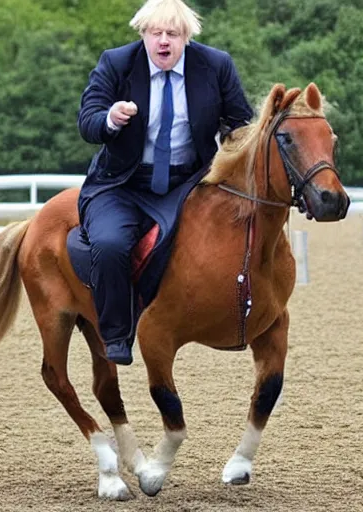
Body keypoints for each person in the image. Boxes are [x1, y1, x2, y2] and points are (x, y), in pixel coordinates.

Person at [77, 0, 253, 365]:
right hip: (121, 184)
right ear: (142, 34)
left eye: (172, 34)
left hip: (188, 183)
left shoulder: (216, 65)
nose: (163, 42)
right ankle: (116, 335)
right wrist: (110, 119)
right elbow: (88, 121)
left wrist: (235, 141)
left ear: (186, 37)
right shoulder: (116, 62)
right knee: (110, 244)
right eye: (155, 33)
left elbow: (241, 123)